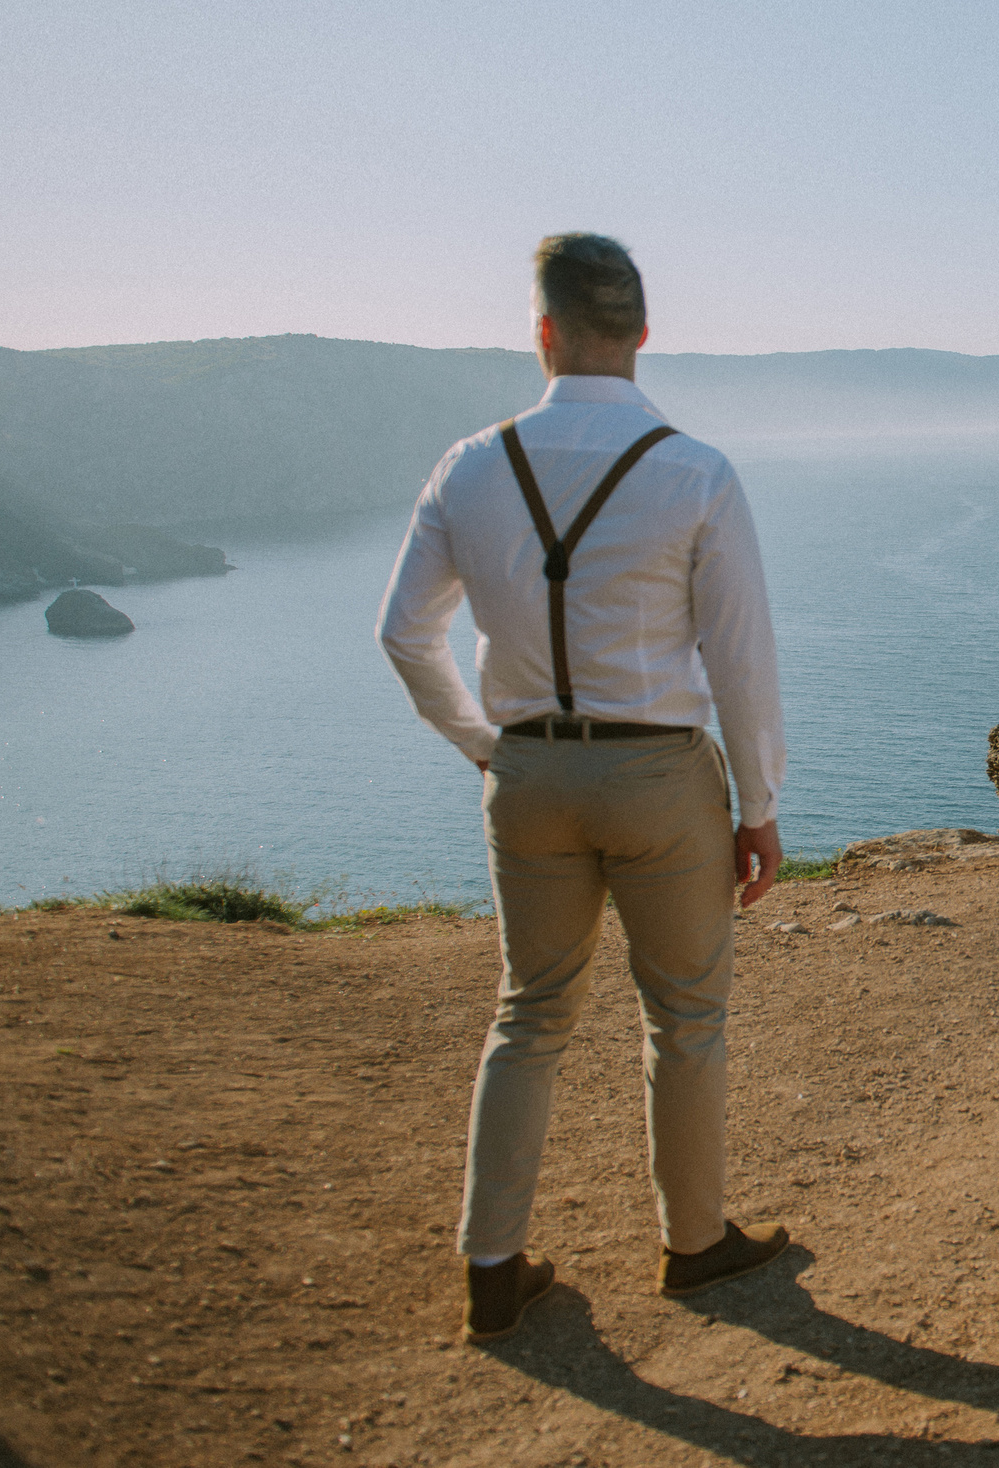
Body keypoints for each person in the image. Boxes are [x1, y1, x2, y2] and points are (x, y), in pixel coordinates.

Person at [377, 233, 790, 1344]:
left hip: (528, 774)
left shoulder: (468, 467)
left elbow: (403, 637)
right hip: (660, 777)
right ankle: (694, 1245)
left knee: (530, 1013)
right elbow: (742, 658)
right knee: (686, 1017)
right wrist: (757, 805)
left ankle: (492, 1267)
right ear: (644, 335)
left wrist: (482, 743)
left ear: (542, 331)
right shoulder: (696, 472)